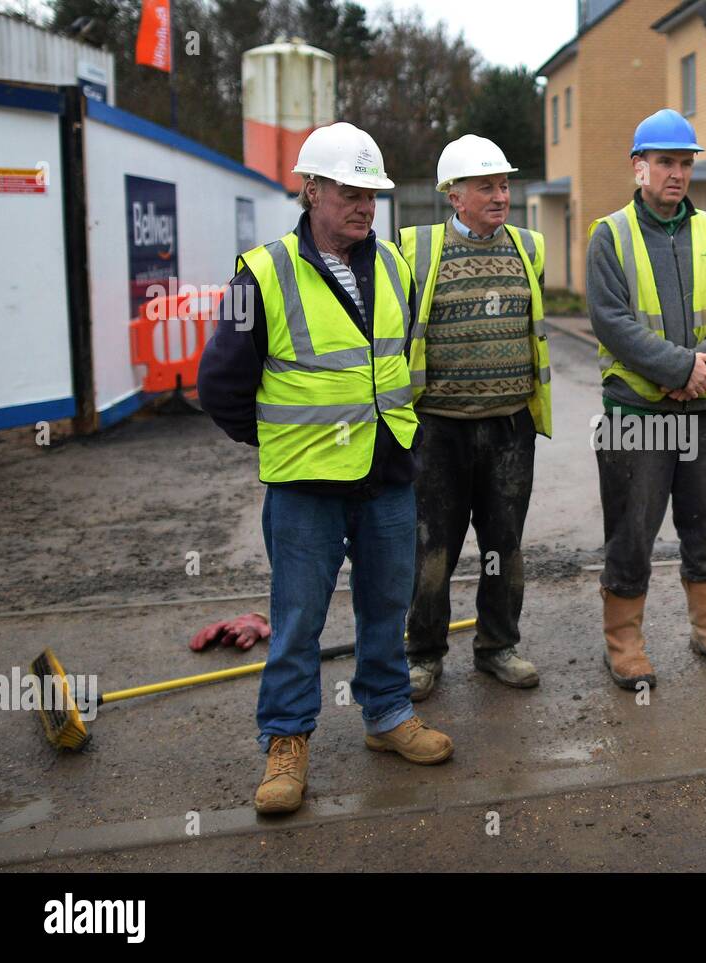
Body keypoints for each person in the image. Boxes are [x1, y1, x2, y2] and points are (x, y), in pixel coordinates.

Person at [199, 122, 453, 816]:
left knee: (386, 604)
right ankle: (286, 740)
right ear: (309, 189)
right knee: (298, 617)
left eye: (372, 193)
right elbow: (219, 383)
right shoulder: (264, 271)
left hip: (387, 474)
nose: (364, 205)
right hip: (306, 485)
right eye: (349, 191)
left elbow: (401, 363)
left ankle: (387, 713)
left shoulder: (396, 266)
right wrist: (283, 445)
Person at [585, 108, 706, 690]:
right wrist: (680, 367)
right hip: (639, 410)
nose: (677, 173)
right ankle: (623, 642)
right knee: (632, 528)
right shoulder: (611, 235)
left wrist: (701, 373)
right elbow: (610, 320)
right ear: (639, 167)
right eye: (665, 162)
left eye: (684, 162)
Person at [396, 135, 551, 699]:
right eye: (486, 186)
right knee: (431, 547)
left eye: (504, 184)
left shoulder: (529, 247)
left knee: (503, 545)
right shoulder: (414, 249)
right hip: (437, 429)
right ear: (453, 196)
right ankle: (423, 653)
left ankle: (497, 645)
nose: (501, 195)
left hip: (510, 427)